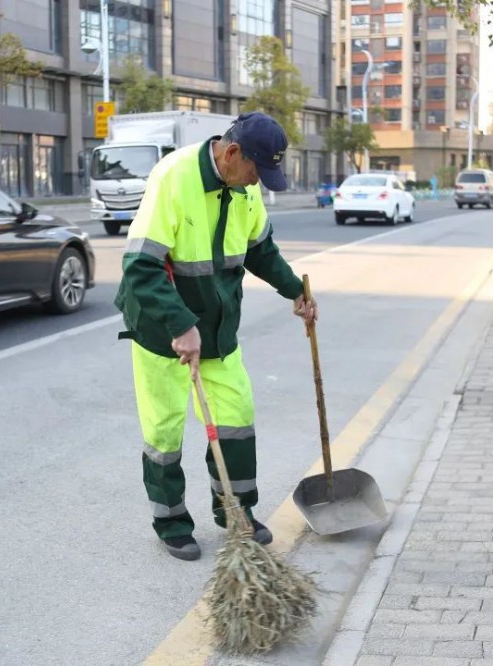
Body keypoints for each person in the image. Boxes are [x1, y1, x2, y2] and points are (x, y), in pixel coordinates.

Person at [114, 112, 318, 561]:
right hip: (161, 329)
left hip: (218, 330)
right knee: (164, 431)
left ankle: (236, 514)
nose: (256, 184)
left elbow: (260, 250)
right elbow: (141, 267)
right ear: (231, 154)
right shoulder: (174, 176)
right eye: (255, 172)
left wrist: (295, 292)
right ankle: (171, 523)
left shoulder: (244, 192)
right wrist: (180, 326)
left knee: (236, 419)